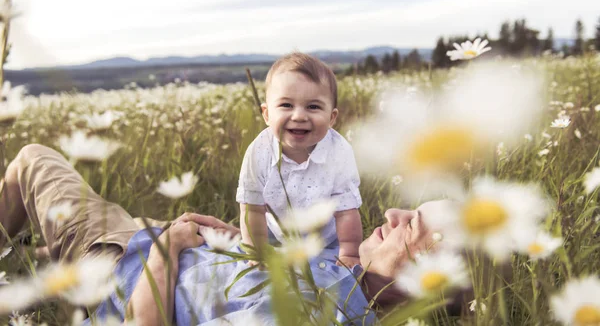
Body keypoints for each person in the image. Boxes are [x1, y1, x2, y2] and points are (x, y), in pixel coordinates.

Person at [0, 144, 442, 325]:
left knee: (32, 160)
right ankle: (33, 254)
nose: (393, 211)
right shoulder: (346, 277)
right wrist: (240, 247)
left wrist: (167, 250)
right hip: (148, 244)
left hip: (115, 269)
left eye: (413, 225)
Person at [237, 52, 363, 268]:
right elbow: (252, 208)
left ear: (332, 118)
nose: (299, 116)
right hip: (277, 236)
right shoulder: (259, 151)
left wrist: (350, 252)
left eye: (313, 107)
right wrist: (257, 254)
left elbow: (346, 209)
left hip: (328, 240)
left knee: (327, 274)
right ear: (266, 114)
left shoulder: (339, 151)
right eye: (286, 105)